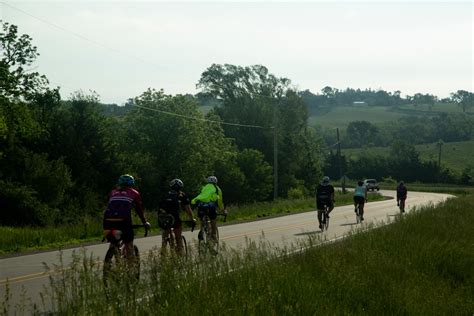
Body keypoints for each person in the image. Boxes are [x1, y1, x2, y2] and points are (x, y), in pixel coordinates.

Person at [103, 174, 150, 262]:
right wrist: (144, 222)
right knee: (129, 244)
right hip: (124, 221)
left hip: (107, 220)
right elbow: (139, 209)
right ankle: (131, 271)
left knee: (114, 241)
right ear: (132, 184)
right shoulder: (134, 193)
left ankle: (112, 260)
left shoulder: (112, 192)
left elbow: (108, 204)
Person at [158, 178, 196, 255]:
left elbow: (159, 207)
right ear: (180, 187)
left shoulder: (166, 194)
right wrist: (192, 218)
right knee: (178, 237)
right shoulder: (182, 195)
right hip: (175, 217)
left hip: (163, 217)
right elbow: (188, 209)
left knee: (165, 234)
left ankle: (163, 249)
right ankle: (179, 256)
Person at [191, 176, 225, 242]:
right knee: (213, 219)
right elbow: (220, 202)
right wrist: (222, 210)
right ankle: (214, 235)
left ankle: (202, 229)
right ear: (216, 182)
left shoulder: (203, 188)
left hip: (201, 205)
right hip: (211, 206)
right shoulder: (218, 189)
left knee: (202, 218)